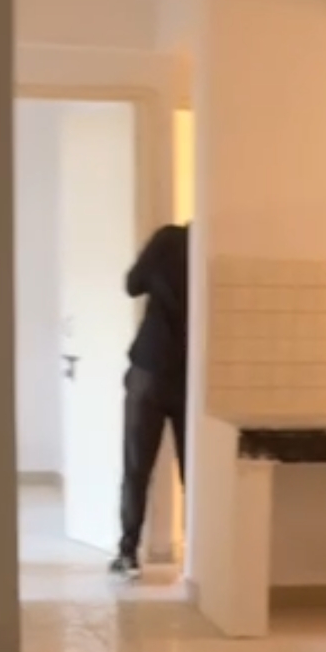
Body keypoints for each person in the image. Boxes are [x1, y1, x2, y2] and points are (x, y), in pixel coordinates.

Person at [111, 221, 190, 578]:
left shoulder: (168, 239)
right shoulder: (212, 247)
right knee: (195, 472)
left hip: (149, 368)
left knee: (136, 467)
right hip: (191, 374)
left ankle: (128, 552)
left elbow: (132, 285)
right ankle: (202, 556)